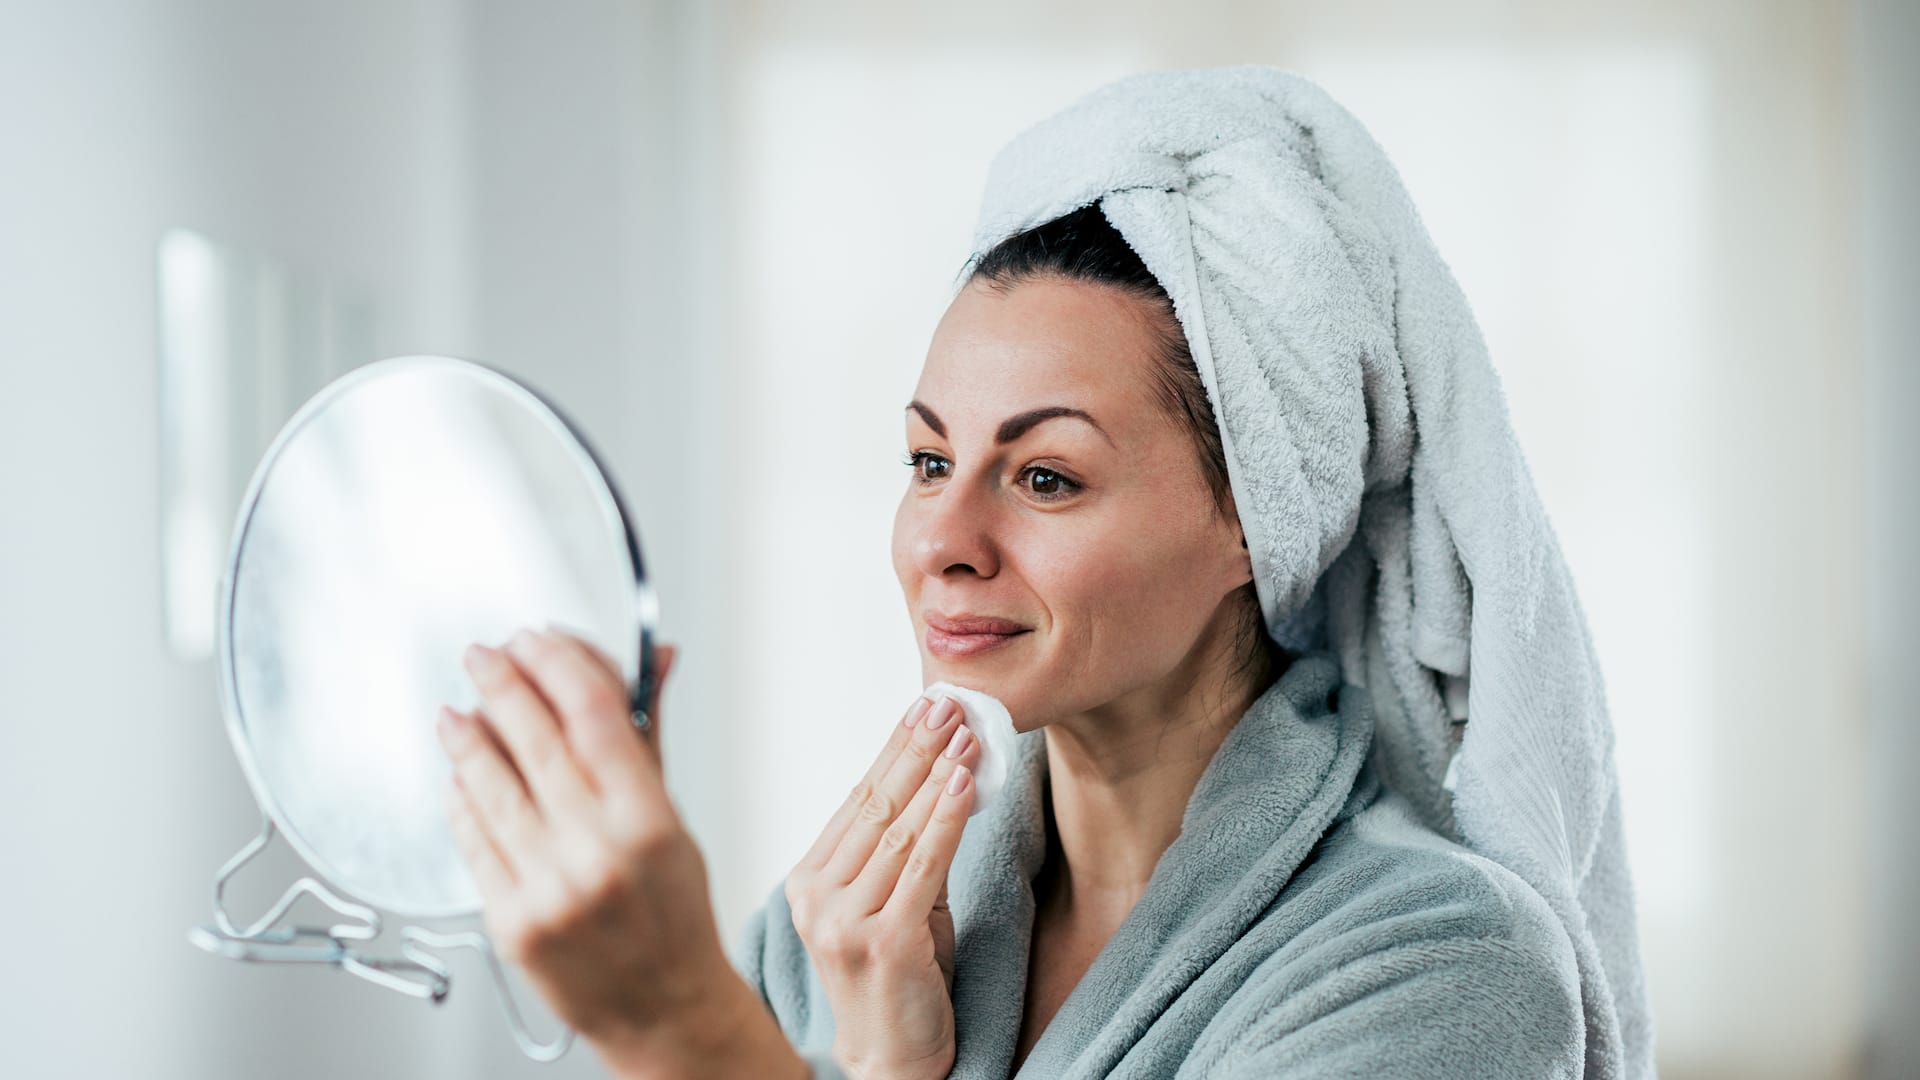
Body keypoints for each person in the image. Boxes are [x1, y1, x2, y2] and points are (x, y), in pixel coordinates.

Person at [436, 67, 1644, 1080]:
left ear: (1253, 523)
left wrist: (681, 1025)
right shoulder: (838, 934)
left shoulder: (1444, 967)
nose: (940, 540)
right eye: (927, 459)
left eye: (1046, 476)